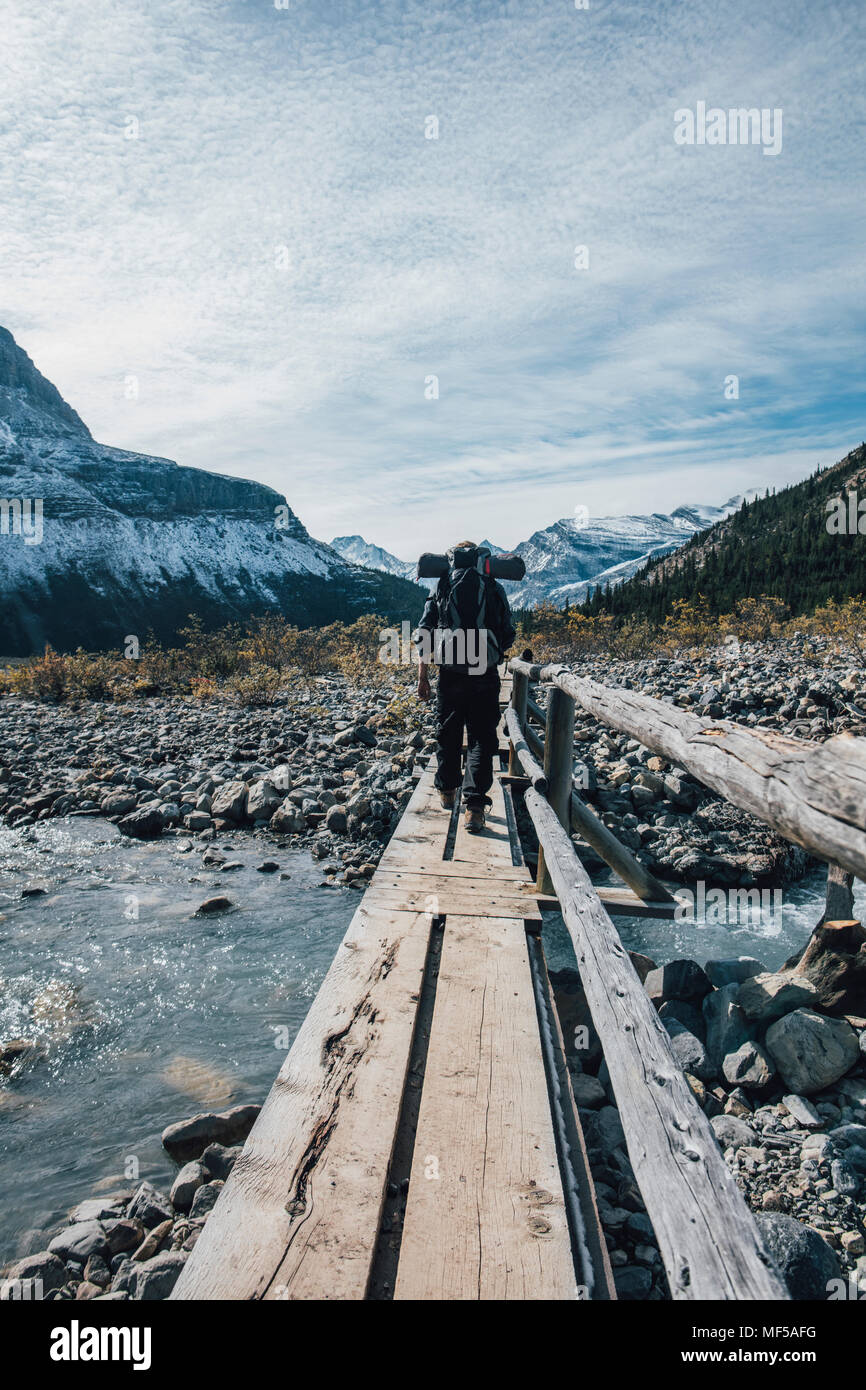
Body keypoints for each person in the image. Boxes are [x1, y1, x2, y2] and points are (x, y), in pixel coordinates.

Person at [415, 542, 516, 832]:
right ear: (480, 560)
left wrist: (423, 676)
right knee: (482, 737)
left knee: (447, 730)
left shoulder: (443, 584)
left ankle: (447, 790)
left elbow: (424, 632)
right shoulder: (492, 585)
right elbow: (508, 632)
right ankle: (474, 807)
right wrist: (494, 651)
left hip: (450, 672)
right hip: (484, 671)